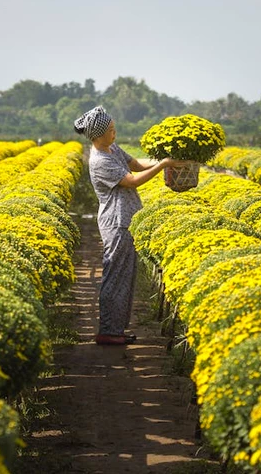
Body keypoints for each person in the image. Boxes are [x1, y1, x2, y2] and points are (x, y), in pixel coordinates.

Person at [74, 106, 184, 346]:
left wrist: (164, 162)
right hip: (116, 221)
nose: (115, 133)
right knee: (115, 276)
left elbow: (135, 165)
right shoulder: (100, 160)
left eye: (115, 128)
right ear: (98, 135)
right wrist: (164, 165)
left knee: (125, 276)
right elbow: (132, 180)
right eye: (111, 130)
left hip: (126, 219)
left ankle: (116, 330)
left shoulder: (111, 148)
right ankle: (108, 331)